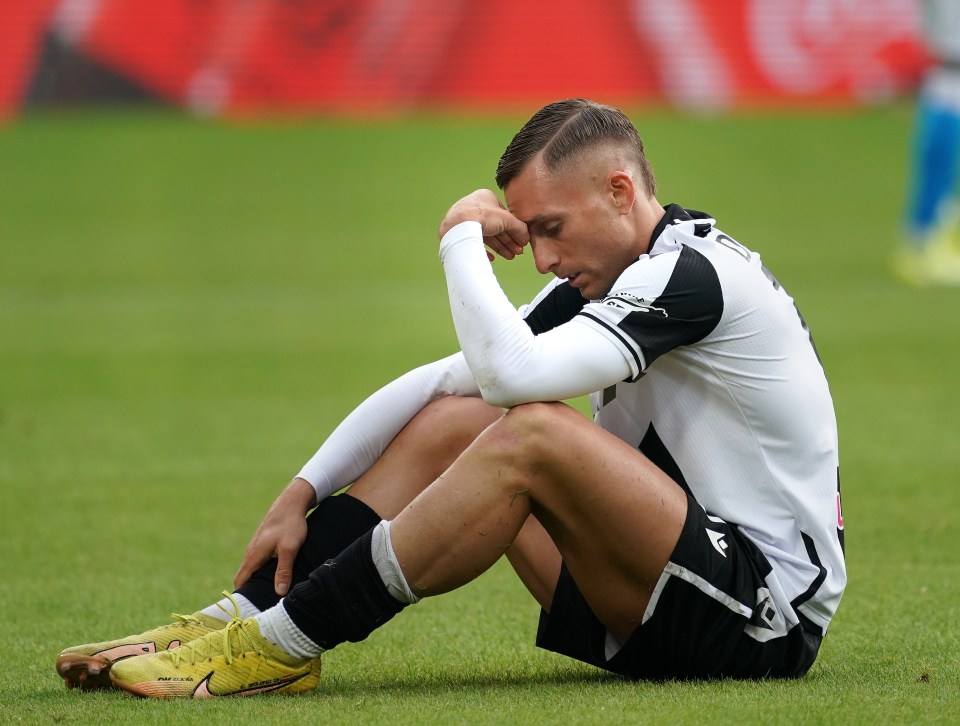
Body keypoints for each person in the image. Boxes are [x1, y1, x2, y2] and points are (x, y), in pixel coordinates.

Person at [56, 99, 845, 697]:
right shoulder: (619, 271)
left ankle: (282, 645)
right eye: (527, 233)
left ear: (618, 190)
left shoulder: (694, 275)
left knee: (531, 431)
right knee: (464, 421)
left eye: (551, 228)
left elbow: (513, 383)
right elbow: (451, 382)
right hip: (655, 595)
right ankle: (244, 614)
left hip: (759, 620)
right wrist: (302, 491)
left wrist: (462, 235)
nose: (539, 259)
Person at [895, 0, 960, 285]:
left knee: (939, 164)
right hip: (947, 76)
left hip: (946, 76)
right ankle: (925, 244)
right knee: (939, 164)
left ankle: (931, 242)